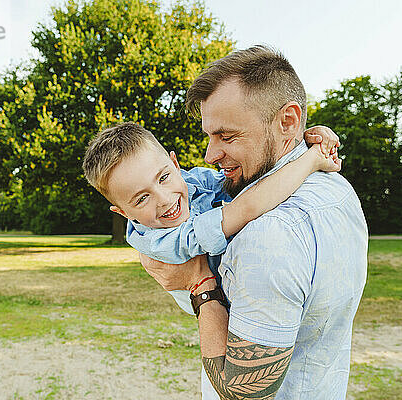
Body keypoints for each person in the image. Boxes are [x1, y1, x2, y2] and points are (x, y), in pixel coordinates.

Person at [139, 45, 368, 400]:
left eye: (227, 136)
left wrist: (199, 285)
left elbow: (242, 393)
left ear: (287, 121)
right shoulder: (336, 187)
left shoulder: (268, 235)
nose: (210, 155)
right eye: (209, 136)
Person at [82, 122, 341, 314]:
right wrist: (310, 159)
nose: (163, 198)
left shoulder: (191, 180)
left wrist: (299, 141)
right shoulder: (158, 240)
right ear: (124, 213)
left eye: (163, 177)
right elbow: (246, 207)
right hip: (228, 307)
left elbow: (252, 182)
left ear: (175, 164)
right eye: (142, 199)